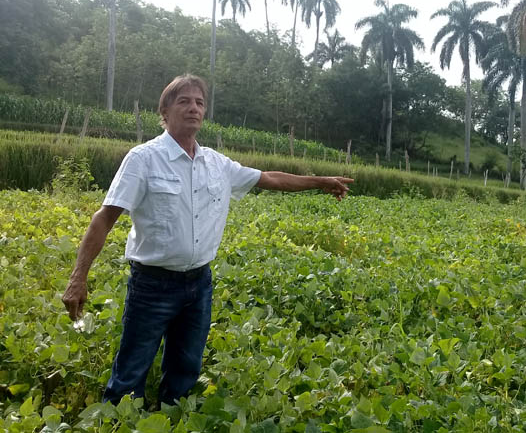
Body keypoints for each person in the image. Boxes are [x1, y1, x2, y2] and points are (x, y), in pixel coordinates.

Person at [61, 74, 353, 405]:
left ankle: (170, 420)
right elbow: (105, 218)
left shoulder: (215, 163)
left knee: (185, 369)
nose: (193, 108)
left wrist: (320, 181)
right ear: (165, 110)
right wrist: (78, 276)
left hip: (199, 284)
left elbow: (270, 178)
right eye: (184, 101)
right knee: (130, 372)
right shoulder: (143, 159)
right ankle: (120, 421)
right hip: (152, 285)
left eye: (199, 102)